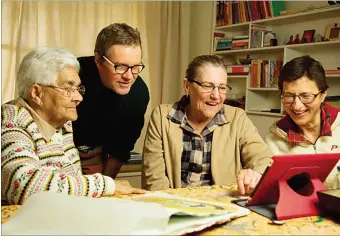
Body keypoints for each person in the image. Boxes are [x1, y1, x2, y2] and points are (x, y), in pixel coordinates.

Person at [1, 47, 146, 205]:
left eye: (78, 89)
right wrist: (106, 185)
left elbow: (71, 187)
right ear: (36, 93)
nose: (78, 98)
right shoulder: (10, 120)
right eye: (68, 88)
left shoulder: (63, 124)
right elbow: (25, 186)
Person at [142, 55, 273, 195]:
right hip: (173, 205)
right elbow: (154, 181)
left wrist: (254, 174)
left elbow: (263, 158)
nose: (216, 96)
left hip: (223, 207)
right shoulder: (162, 117)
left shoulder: (237, 118)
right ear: (187, 86)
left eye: (222, 88)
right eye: (208, 86)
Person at [72, 23, 149, 179]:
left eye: (136, 67)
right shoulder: (71, 74)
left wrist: (105, 186)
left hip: (97, 163)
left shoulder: (139, 93)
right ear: (98, 60)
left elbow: (120, 149)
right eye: (120, 67)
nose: (129, 76)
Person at [265, 55, 340, 189]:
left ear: (323, 95)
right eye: (288, 96)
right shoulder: (273, 140)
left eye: (306, 96)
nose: (297, 106)